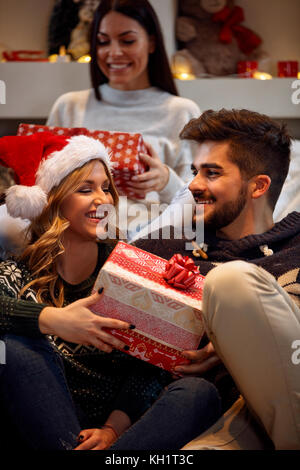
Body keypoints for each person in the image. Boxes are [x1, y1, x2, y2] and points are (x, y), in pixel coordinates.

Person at [106, 109, 300, 450]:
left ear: (258, 186)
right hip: (202, 425)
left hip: (280, 413)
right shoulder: (163, 247)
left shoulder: (297, 249)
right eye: (194, 172)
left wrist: (238, 342)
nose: (193, 185)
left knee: (232, 280)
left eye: (212, 173)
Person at [0, 131, 178, 450]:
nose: (103, 199)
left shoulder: (128, 268)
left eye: (106, 188)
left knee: (196, 394)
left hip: (117, 429)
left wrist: (111, 431)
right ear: (53, 200)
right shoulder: (17, 270)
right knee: (10, 349)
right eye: (85, 189)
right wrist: (55, 320)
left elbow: (150, 366)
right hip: (48, 420)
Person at [46, 0, 200, 233]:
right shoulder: (68, 107)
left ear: (151, 43)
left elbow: (201, 203)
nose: (114, 53)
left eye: (127, 41)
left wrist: (166, 181)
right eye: (103, 42)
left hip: (152, 238)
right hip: (75, 237)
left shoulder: (182, 111)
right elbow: (41, 187)